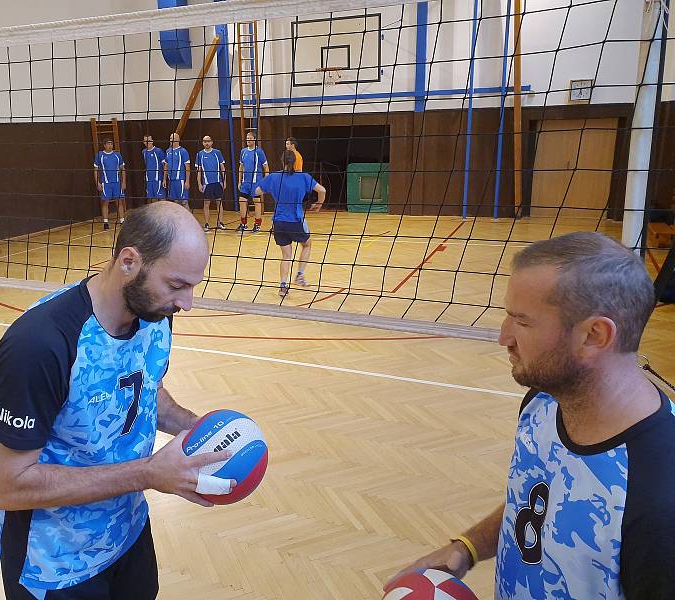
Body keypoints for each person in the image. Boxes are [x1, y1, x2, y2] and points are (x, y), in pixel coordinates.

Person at [385, 232, 674, 600]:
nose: (503, 337)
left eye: (522, 321)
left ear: (594, 336)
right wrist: (466, 548)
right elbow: (538, 498)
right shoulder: (544, 402)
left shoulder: (658, 502)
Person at [0, 203, 236, 600]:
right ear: (129, 261)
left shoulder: (154, 315)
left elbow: (144, 390)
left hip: (128, 532)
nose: (187, 303)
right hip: (54, 564)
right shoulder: (40, 343)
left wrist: (198, 427)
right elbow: (2, 486)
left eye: (192, 286)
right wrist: (149, 473)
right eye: (177, 285)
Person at [255, 150, 325, 298]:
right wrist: (319, 203)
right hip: (295, 221)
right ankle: (300, 275)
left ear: (282, 162)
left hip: (279, 222)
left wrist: (270, 186)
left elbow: (257, 191)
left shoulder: (274, 177)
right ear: (295, 162)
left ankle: (283, 286)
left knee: (286, 255)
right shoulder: (303, 177)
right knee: (307, 244)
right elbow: (322, 190)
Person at [237, 132, 269, 233]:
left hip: (256, 182)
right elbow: (241, 167)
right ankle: (243, 224)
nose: (248, 140)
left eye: (250, 138)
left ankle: (257, 224)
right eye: (247, 138)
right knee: (242, 201)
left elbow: (266, 167)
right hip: (245, 182)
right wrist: (239, 181)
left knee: (257, 202)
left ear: (254, 139)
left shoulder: (259, 152)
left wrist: (266, 182)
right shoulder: (243, 151)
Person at [93, 138, 126, 230]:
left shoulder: (117, 155)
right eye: (108, 144)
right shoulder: (100, 155)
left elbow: (123, 169)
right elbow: (95, 170)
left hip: (117, 183)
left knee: (119, 201)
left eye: (111, 143)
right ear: (104, 145)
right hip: (106, 183)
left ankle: (122, 220)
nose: (110, 145)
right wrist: (98, 183)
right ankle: (106, 222)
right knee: (105, 202)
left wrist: (123, 182)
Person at [196, 135, 227, 232]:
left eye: (208, 141)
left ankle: (220, 222)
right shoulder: (199, 154)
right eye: (205, 141)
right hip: (207, 183)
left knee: (219, 202)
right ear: (202, 143)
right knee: (206, 203)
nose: (207, 143)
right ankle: (206, 224)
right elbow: (199, 171)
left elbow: (223, 168)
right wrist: (199, 184)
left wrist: (224, 181)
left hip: (217, 182)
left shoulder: (217, 153)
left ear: (212, 142)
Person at [163, 132, 190, 209]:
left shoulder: (183, 151)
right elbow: (166, 165)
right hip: (171, 181)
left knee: (184, 202)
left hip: (180, 180)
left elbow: (187, 167)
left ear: (178, 140)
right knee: (176, 203)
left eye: (173, 138)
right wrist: (164, 179)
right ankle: (178, 220)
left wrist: (187, 181)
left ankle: (188, 220)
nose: (171, 140)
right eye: (170, 138)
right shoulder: (168, 151)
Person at [142, 134, 166, 204]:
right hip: (149, 180)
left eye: (149, 140)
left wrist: (164, 179)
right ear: (143, 142)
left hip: (158, 179)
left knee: (162, 200)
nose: (148, 142)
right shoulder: (144, 152)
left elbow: (165, 165)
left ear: (152, 141)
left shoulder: (158, 151)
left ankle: (164, 215)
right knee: (153, 201)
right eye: (146, 141)